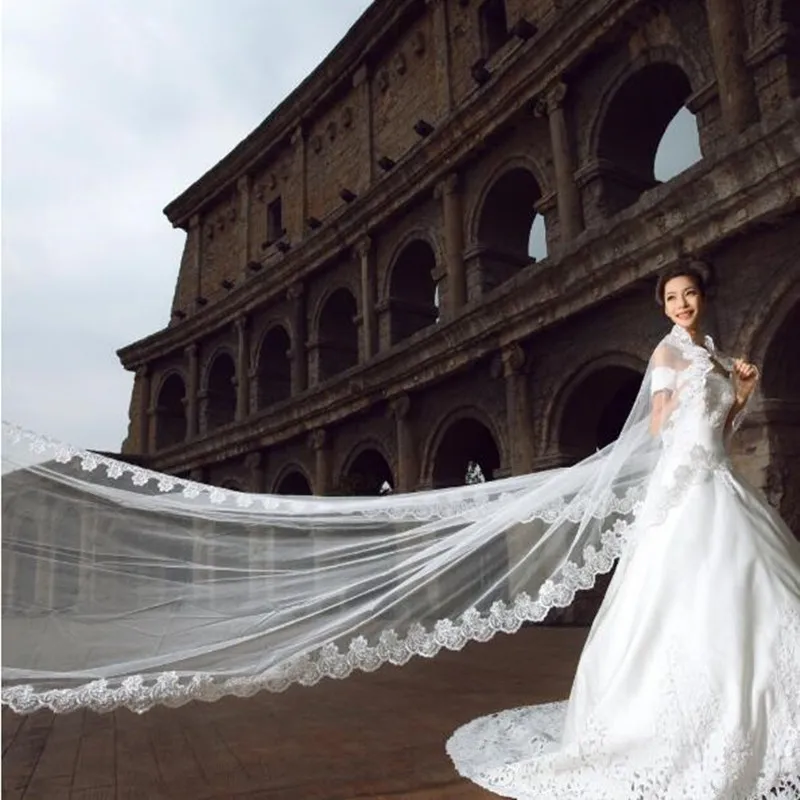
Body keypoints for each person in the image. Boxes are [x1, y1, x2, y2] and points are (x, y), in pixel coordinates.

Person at [446, 265, 800, 798]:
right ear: (663, 307)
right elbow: (657, 429)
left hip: (721, 482)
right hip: (687, 488)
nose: (681, 304)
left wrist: (742, 392)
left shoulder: (714, 354)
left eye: (689, 294)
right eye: (672, 298)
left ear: (702, 298)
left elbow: (720, 431)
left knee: (760, 585)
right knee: (691, 597)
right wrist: (677, 395)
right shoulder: (668, 355)